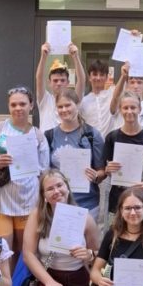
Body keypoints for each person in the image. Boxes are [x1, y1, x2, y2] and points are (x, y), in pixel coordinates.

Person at [22, 168, 98, 286]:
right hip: (49, 276)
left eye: (59, 185)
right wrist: (49, 282)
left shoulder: (85, 218)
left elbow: (98, 255)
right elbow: (28, 254)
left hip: (78, 280)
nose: (56, 191)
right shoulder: (38, 216)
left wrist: (89, 255)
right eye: (50, 189)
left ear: (67, 187)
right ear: (44, 196)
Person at [0, 86, 49, 267]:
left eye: (22, 104)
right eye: (13, 104)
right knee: (3, 254)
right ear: (8, 106)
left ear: (31, 105)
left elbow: (44, 172)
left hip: (28, 202)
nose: (18, 108)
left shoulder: (38, 135)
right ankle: (5, 285)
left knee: (25, 254)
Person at [45, 89, 105, 219]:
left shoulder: (92, 135)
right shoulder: (49, 136)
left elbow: (102, 171)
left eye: (68, 105)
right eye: (60, 106)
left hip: (87, 204)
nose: (64, 110)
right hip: (57, 204)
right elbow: (45, 171)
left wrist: (96, 176)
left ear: (77, 105)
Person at [103, 91, 143, 217]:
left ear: (139, 109)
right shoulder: (112, 137)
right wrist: (108, 169)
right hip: (119, 198)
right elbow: (106, 170)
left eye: (133, 107)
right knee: (117, 230)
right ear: (120, 110)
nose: (129, 111)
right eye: (125, 108)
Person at [36, 43, 86, 132]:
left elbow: (81, 80)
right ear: (49, 83)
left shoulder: (73, 99)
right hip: (46, 141)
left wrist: (75, 57)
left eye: (62, 80)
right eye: (55, 80)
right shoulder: (45, 99)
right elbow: (39, 78)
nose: (59, 83)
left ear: (68, 83)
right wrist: (43, 57)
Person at [109, 57, 143, 131]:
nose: (135, 86)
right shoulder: (120, 106)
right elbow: (115, 98)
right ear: (126, 85)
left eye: (139, 82)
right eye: (132, 82)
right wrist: (123, 76)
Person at [80, 59, 116, 139]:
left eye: (102, 74)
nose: (98, 78)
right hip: (91, 143)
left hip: (110, 143)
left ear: (107, 77)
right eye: (95, 74)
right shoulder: (83, 101)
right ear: (89, 77)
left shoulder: (112, 95)